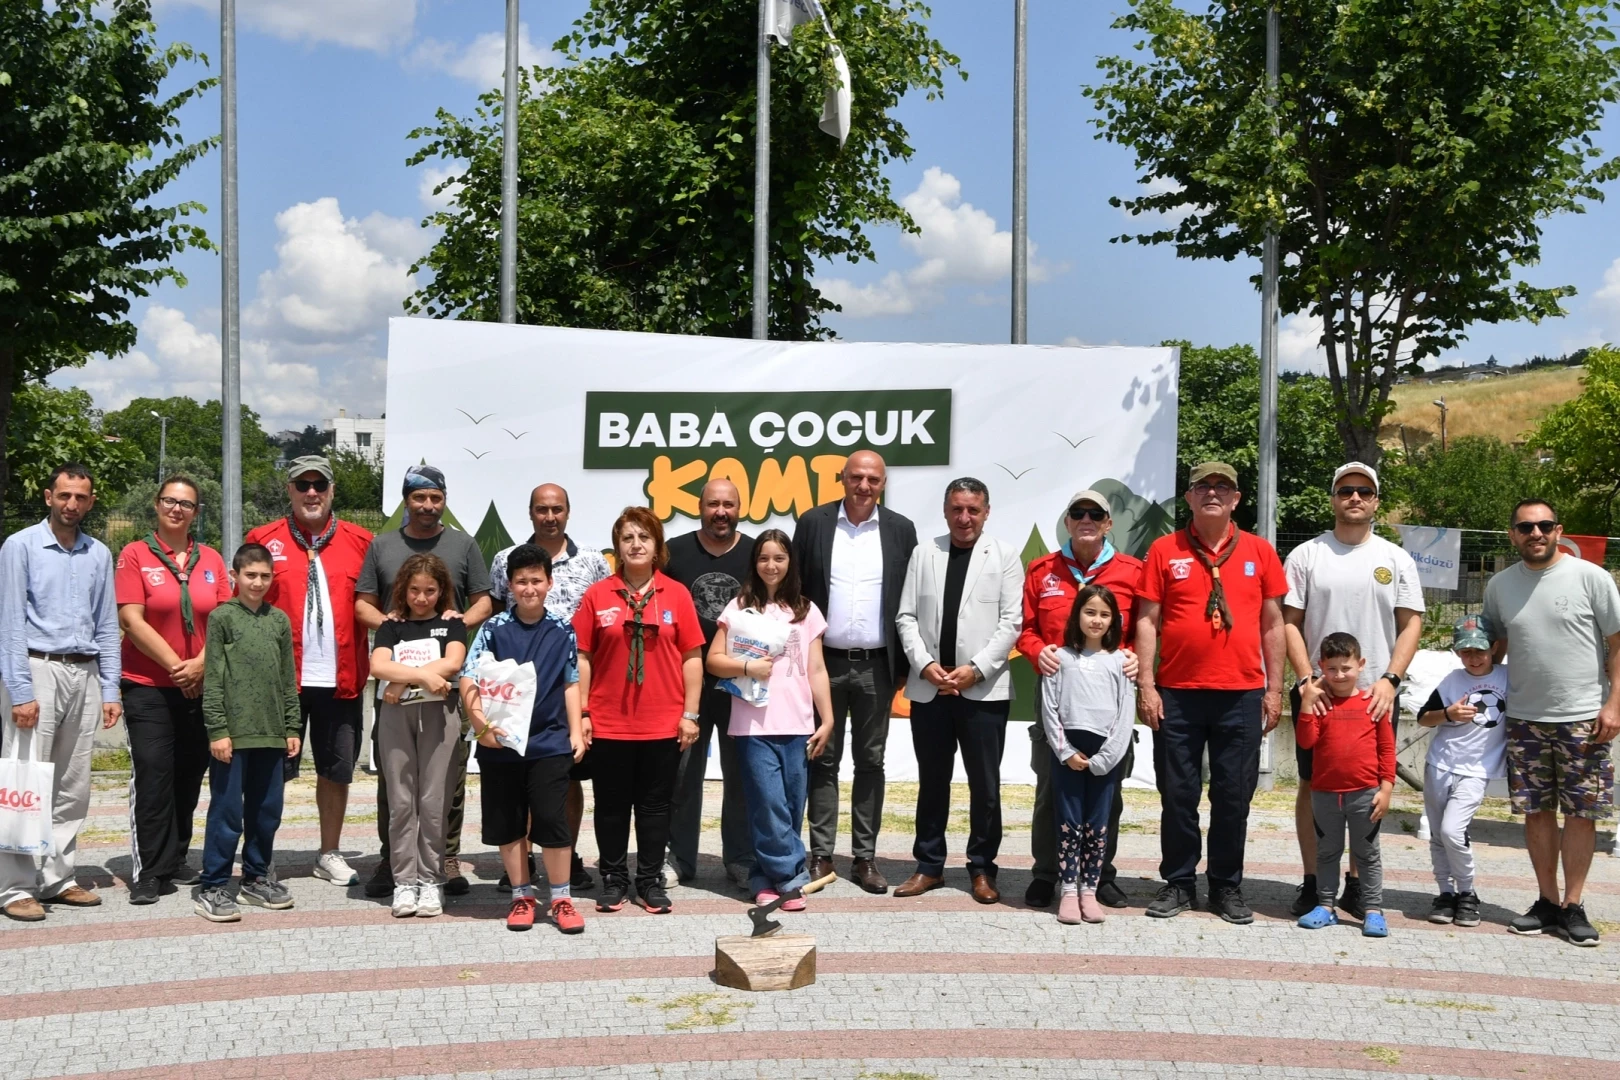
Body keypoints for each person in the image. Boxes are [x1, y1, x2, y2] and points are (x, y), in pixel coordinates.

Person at [1136, 461, 1286, 924]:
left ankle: (1225, 886)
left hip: (1241, 694)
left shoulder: (1259, 552)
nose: (1213, 493)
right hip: (1177, 694)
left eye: (1224, 487)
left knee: (1233, 797)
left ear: (1238, 499)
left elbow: (1274, 623)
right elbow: (1146, 620)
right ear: (1189, 497)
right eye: (1204, 486)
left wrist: (1275, 689)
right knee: (1177, 795)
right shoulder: (1165, 549)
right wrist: (1146, 685)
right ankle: (1179, 882)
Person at [1282, 462, 1422, 919]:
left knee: (1367, 789)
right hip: (1318, 693)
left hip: (1374, 696)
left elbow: (1411, 624)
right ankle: (1311, 881)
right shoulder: (1306, 555)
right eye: (1346, 491)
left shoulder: (1396, 558)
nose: (1355, 498)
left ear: (1376, 500)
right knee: (1311, 785)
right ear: (1333, 498)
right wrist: (1306, 681)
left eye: (1364, 491)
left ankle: (1358, 886)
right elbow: (1289, 623)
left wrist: (1390, 680)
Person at [1484, 499, 1620, 947]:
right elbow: (1494, 644)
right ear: (1513, 535)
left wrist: (1614, 704)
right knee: (1536, 813)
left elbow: (1617, 644)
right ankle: (1546, 901)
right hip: (1525, 719)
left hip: (1584, 718)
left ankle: (1574, 907)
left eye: (1544, 525)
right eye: (1526, 527)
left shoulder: (1591, 578)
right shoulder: (1500, 586)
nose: (1535, 533)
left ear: (1559, 530)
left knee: (1581, 814)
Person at [356, 464, 492, 899]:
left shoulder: (462, 544)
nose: (428, 506)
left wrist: (457, 622)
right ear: (406, 500)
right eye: (419, 498)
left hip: (440, 693)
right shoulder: (382, 546)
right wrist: (399, 635)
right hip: (398, 694)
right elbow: (363, 607)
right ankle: (392, 860)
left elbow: (482, 602)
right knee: (394, 785)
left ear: (444, 499)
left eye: (435, 498)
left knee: (444, 784)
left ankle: (444, 859)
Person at [244, 455, 375, 889]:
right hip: (282, 682)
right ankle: (262, 856)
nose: (312, 492)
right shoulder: (264, 539)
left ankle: (329, 852)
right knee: (273, 771)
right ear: (290, 490)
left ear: (333, 490)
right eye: (303, 485)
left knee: (337, 770)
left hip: (341, 679)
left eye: (320, 484)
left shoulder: (361, 541)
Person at [792, 449, 919, 893]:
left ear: (883, 483)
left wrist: (903, 668)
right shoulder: (813, 523)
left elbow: (910, 599)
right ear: (842, 479)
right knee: (821, 758)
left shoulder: (902, 530)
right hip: (822, 664)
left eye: (873, 480)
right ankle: (821, 855)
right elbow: (797, 592)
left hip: (877, 667)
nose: (864, 486)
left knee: (871, 762)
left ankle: (864, 858)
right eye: (856, 478)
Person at [0, 464, 122, 922]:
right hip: (37, 669)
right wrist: (19, 690)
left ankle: (56, 877)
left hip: (84, 673)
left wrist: (110, 688)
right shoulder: (21, 546)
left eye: (81, 497)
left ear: (90, 502)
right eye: (65, 495)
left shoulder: (98, 554)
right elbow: (9, 622)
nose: (72, 504)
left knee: (73, 783)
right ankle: (13, 886)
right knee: (25, 780)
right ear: (49, 496)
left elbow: (106, 623)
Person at [893, 477, 1023, 903]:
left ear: (986, 512)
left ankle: (983, 868)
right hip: (930, 687)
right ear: (946, 511)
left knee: (985, 786)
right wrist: (926, 665)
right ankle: (929, 865)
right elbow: (906, 617)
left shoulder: (1004, 556)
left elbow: (1011, 623)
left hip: (981, 690)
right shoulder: (924, 552)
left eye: (973, 510)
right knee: (932, 781)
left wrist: (977, 669)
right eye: (956, 509)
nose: (964, 518)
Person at [572, 508, 703, 914]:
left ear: (657, 545)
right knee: (610, 807)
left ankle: (648, 880)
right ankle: (613, 877)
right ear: (617, 547)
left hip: (663, 723)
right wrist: (583, 712)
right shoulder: (598, 595)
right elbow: (583, 657)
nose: (636, 544)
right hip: (609, 723)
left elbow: (692, 657)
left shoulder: (676, 594)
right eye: (628, 537)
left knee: (655, 807)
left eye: (644, 537)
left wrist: (690, 714)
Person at [1017, 488, 1144, 909]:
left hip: (1109, 696)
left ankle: (1100, 875)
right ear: (1067, 521)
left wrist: (1135, 658)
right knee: (1051, 785)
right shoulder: (1041, 571)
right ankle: (1046, 873)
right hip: (1058, 697)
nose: (1086, 518)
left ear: (1109, 523)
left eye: (1096, 513)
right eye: (1078, 512)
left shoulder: (1132, 571)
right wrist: (1039, 652)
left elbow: (1144, 627)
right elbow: (1026, 629)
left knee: (1108, 786)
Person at [115, 475, 232, 903]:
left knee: (188, 775)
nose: (176, 509)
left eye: (186, 504)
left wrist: (200, 666)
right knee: (153, 771)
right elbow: (131, 620)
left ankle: (176, 856)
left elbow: (224, 619)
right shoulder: (135, 555)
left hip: (201, 685)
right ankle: (149, 869)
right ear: (157, 505)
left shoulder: (211, 560)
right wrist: (177, 667)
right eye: (169, 501)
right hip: (148, 686)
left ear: (196, 513)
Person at [489, 482, 611, 893]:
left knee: (566, 780)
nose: (550, 516)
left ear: (568, 512)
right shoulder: (506, 559)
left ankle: (567, 855)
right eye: (541, 509)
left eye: (557, 509)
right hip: (517, 695)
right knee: (522, 782)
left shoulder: (593, 562)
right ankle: (521, 863)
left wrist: (587, 708)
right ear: (530, 513)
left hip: (568, 687)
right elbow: (493, 615)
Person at [707, 530, 835, 909]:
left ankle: (763, 878)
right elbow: (714, 660)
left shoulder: (806, 610)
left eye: (779, 557)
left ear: (790, 562)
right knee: (767, 802)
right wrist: (747, 665)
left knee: (793, 804)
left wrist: (826, 720)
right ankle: (791, 878)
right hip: (753, 724)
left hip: (797, 724)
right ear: (754, 563)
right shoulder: (740, 607)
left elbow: (816, 668)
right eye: (764, 558)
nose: (771, 565)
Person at [463, 544, 587, 934]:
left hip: (548, 743)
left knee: (552, 820)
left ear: (550, 583)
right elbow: (468, 677)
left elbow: (570, 681)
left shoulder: (562, 628)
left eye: (536, 580)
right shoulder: (493, 628)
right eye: (521, 581)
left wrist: (577, 727)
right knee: (509, 821)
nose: (529, 588)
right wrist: (481, 727)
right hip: (499, 744)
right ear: (510, 585)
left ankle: (562, 898)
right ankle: (521, 896)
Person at [194, 544, 302, 923]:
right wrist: (218, 729)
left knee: (266, 811)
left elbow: (288, 678)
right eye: (250, 575)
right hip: (233, 736)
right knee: (227, 811)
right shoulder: (223, 617)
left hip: (271, 733)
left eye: (265, 576)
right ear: (234, 576)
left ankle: (256, 877)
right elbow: (214, 678)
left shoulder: (279, 621)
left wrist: (292, 725)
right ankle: (214, 884)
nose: (257, 583)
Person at [665, 478, 756, 892]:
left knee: (741, 777)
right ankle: (680, 858)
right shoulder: (675, 553)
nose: (721, 511)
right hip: (688, 683)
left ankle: (739, 858)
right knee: (684, 775)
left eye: (729, 504)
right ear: (699, 506)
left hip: (741, 683)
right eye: (713, 504)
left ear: (742, 507)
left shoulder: (756, 553)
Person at [369, 553, 466, 918]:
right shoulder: (391, 627)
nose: (421, 598)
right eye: (414, 590)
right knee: (401, 800)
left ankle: (431, 880)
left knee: (433, 799)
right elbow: (378, 665)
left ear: (441, 591)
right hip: (396, 715)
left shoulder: (451, 625)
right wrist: (423, 676)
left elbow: (453, 663)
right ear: (403, 590)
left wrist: (403, 676)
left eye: (429, 591)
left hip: (439, 714)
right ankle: (404, 882)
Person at [1040, 584, 1136, 925]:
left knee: (1097, 825)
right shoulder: (1060, 658)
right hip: (1068, 751)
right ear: (1077, 614)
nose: (1096, 620)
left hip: (1104, 755)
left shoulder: (1121, 662)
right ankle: (1067, 891)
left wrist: (1105, 758)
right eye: (1090, 612)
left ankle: (1089, 891)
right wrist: (1065, 751)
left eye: (1104, 614)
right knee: (1069, 823)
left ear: (1115, 621)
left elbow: (1126, 713)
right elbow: (1050, 708)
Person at [1295, 632, 1395, 938]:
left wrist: (1387, 787)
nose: (1339, 675)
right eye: (1332, 668)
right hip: (1325, 794)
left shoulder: (1372, 703)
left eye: (1346, 668)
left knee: (1367, 853)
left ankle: (1374, 910)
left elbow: (1387, 749)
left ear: (1361, 665)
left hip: (1365, 793)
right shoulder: (1320, 704)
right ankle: (1326, 905)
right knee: (1327, 852)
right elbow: (1305, 741)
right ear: (1321, 667)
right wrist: (1307, 704)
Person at [1415, 615, 1509, 928]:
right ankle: (1445, 894)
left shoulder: (1509, 678)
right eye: (1466, 651)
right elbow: (1424, 718)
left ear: (1494, 648)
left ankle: (1467, 892)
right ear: (1457, 652)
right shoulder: (1452, 680)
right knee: (1438, 834)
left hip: (1476, 770)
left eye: (1480, 650)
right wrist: (1448, 713)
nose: (1473, 658)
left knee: (1452, 831)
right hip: (1440, 764)